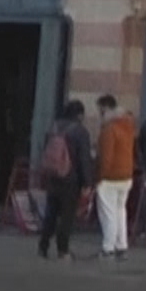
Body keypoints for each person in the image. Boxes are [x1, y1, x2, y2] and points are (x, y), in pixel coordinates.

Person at [37, 100, 94, 261]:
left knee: (51, 213)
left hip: (53, 176)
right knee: (67, 216)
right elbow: (84, 158)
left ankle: (43, 246)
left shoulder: (54, 127)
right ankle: (63, 249)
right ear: (80, 115)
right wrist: (87, 182)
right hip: (70, 179)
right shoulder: (80, 131)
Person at [93, 94, 136, 260]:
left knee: (108, 214)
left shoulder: (109, 129)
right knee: (120, 212)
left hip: (110, 177)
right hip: (126, 175)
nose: (99, 114)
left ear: (106, 109)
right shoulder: (128, 126)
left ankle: (108, 248)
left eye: (100, 110)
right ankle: (121, 245)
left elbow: (106, 157)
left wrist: (99, 176)